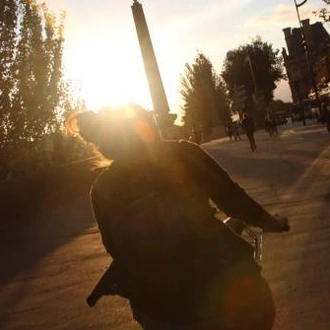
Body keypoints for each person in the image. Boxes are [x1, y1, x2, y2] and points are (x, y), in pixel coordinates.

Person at [67, 103, 289, 330]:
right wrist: (274, 223)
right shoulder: (181, 154)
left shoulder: (102, 189)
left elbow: (116, 248)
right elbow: (234, 201)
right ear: (146, 127)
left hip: (159, 308)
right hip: (223, 294)